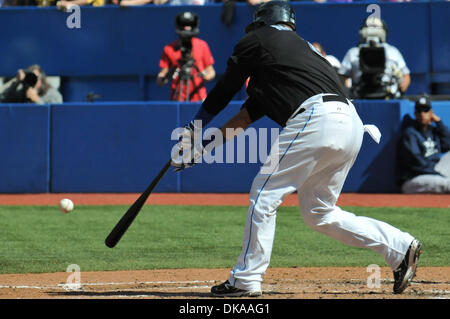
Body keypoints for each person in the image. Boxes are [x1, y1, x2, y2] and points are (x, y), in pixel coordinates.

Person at [170, 1, 422, 296]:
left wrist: (194, 127)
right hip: (351, 122)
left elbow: (225, 88)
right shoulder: (293, 62)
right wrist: (199, 149)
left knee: (263, 196)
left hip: (317, 117)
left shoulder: (259, 38)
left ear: (262, 23)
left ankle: (246, 279)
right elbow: (242, 119)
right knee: (319, 213)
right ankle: (400, 247)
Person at [338, 17, 410, 99]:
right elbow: (342, 76)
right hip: (359, 97)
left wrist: (397, 93)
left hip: (387, 97)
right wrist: (349, 92)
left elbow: (406, 76)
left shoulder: (393, 52)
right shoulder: (353, 53)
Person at [396, 94, 450, 194]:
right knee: (447, 184)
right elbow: (416, 162)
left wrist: (439, 123)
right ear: (415, 114)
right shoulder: (410, 133)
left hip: (433, 172)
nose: (422, 114)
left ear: (431, 113)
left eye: (425, 110)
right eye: (419, 111)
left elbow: (447, 145)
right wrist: (437, 172)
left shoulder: (433, 131)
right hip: (414, 178)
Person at [157, 11, 215, 102]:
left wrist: (207, 76)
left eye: (189, 25)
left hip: (199, 96)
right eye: (184, 25)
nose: (186, 27)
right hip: (177, 97)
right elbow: (161, 76)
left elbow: (211, 71)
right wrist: (164, 77)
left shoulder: (202, 45)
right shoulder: (169, 48)